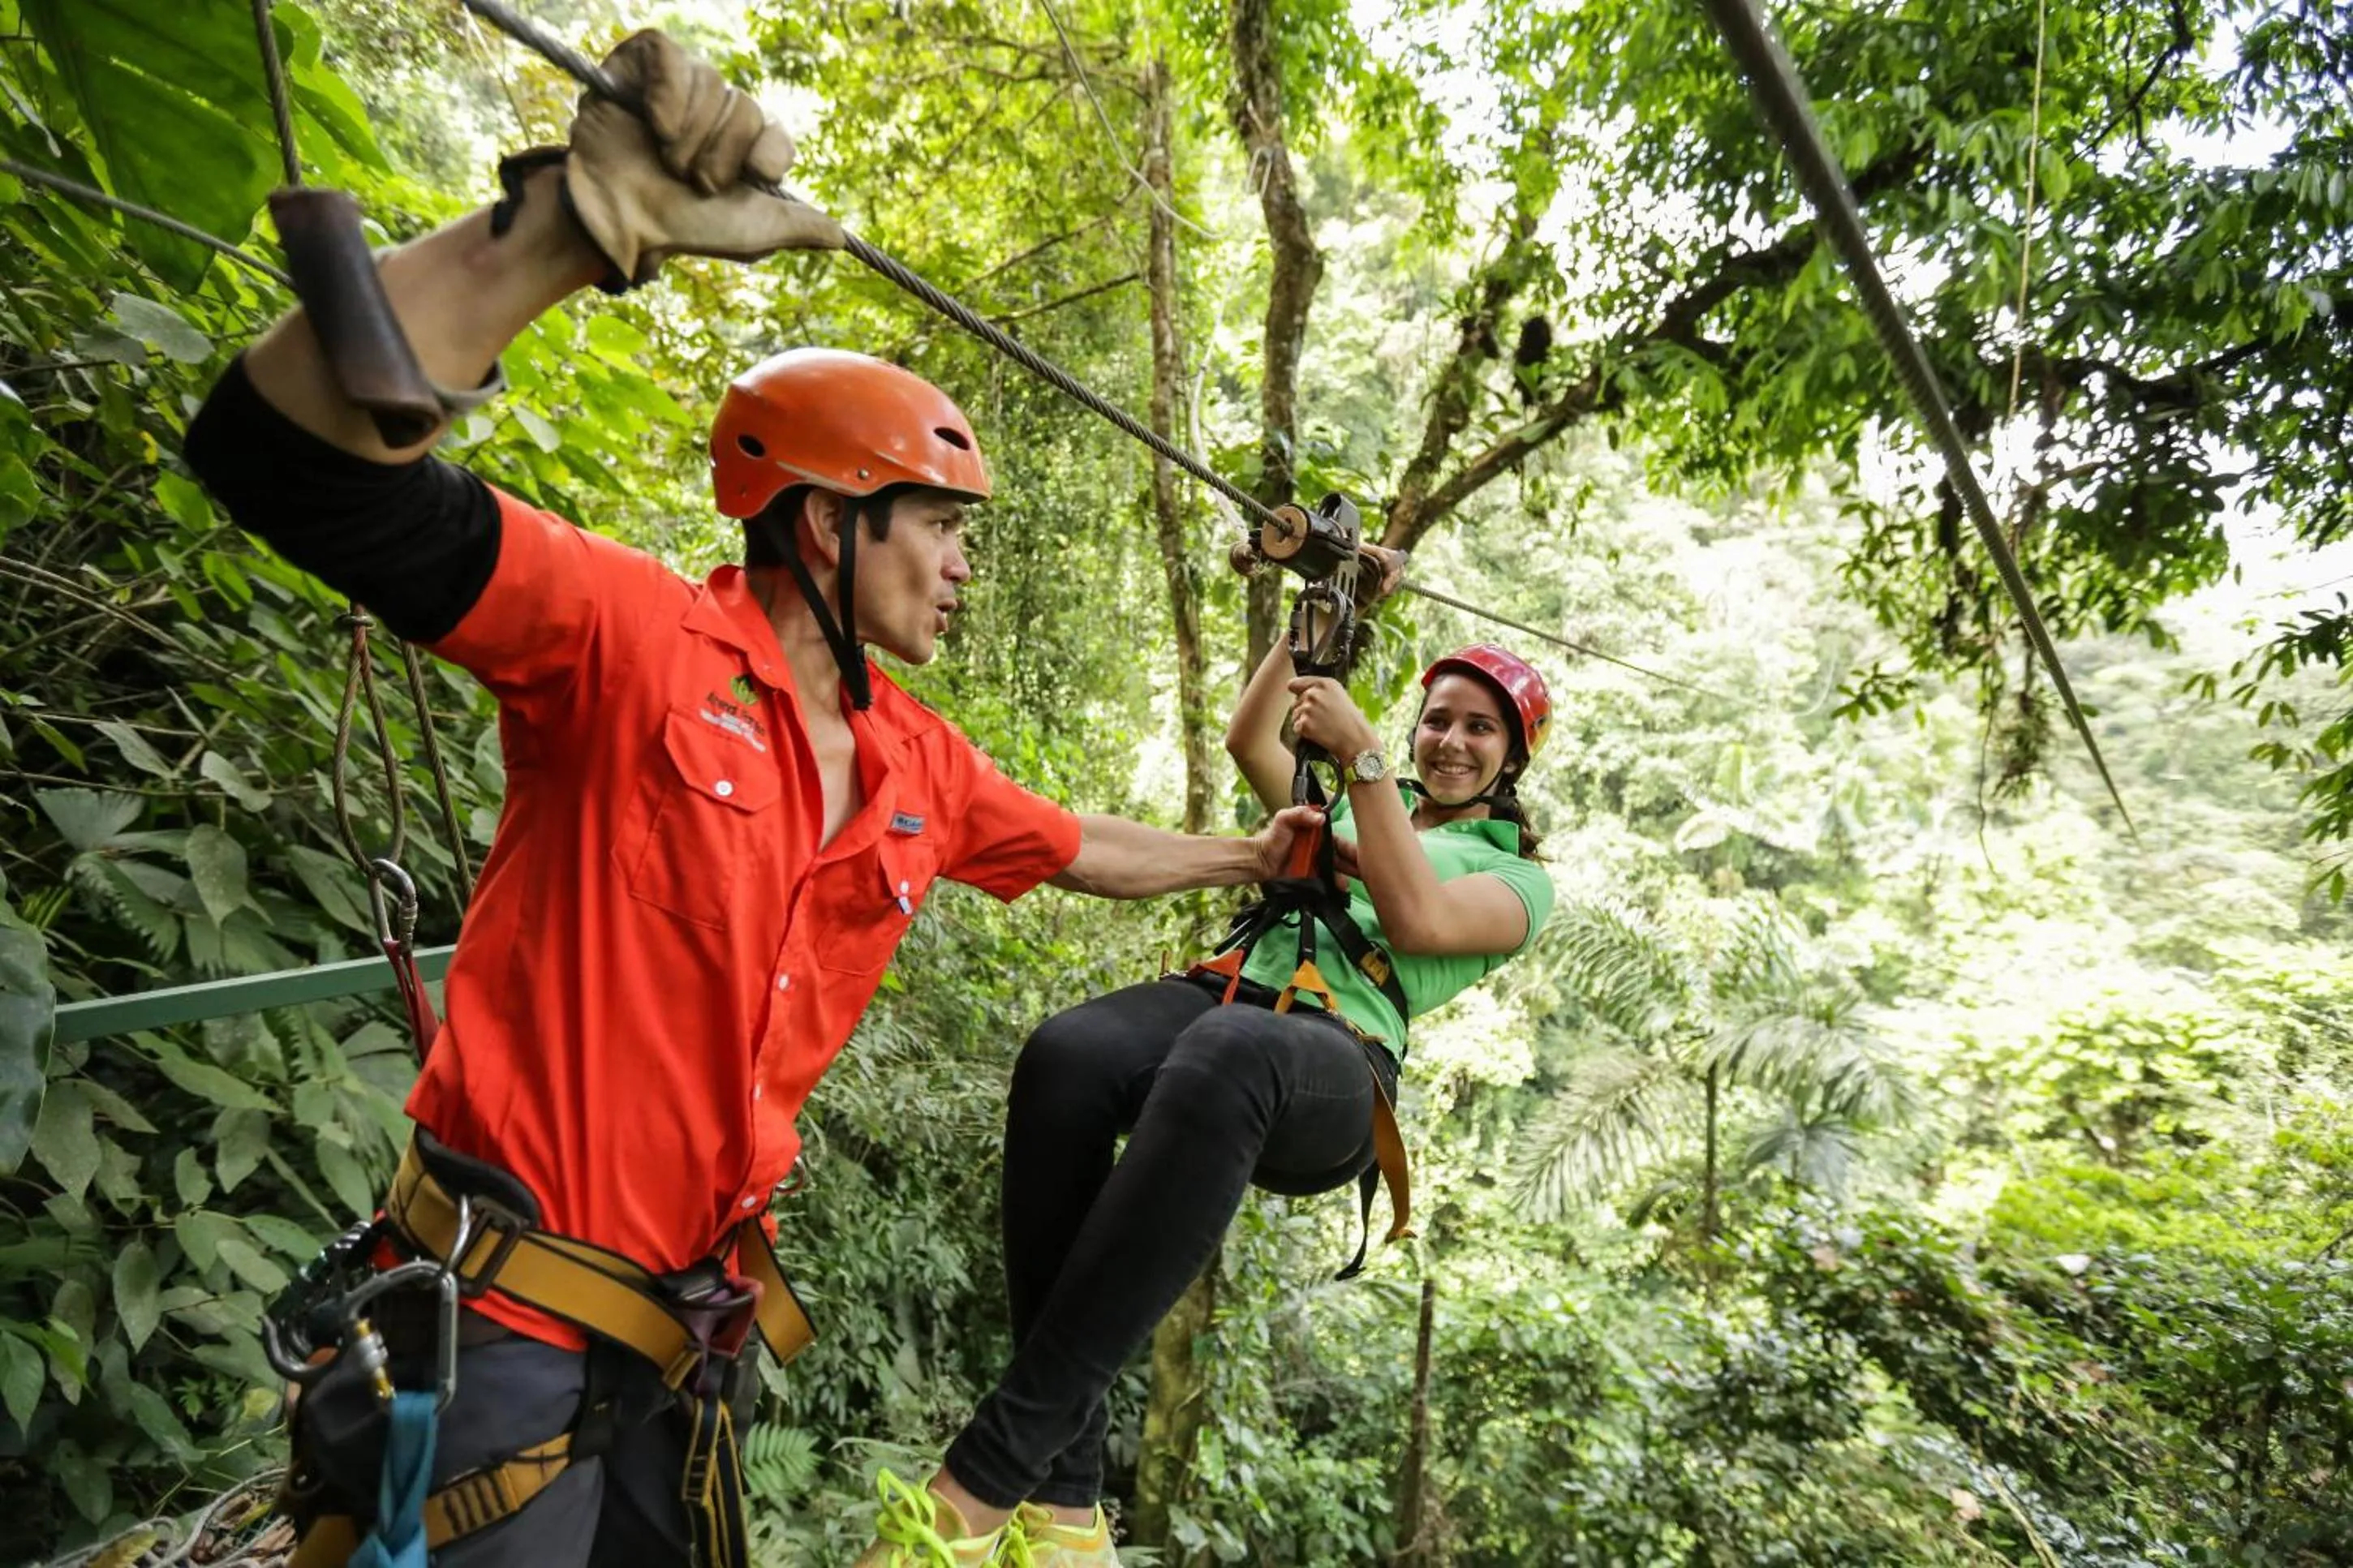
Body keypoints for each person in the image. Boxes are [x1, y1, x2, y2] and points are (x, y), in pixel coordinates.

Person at [182, 32, 1327, 1568]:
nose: (963, 566)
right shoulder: (628, 639)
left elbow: (1080, 847)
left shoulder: (917, 762)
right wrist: (566, 232)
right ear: (829, 523)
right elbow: (289, 457)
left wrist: (1248, 852)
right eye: (939, 525)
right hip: (502, 1328)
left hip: (678, 1352)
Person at [855, 614, 1559, 1566]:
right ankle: (1063, 1509)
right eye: (1437, 719)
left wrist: (1361, 756)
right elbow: (1248, 737)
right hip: (1226, 1001)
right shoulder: (1362, 805)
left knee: (1235, 1044)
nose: (1451, 741)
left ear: (1511, 756)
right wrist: (1311, 622)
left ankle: (979, 1483)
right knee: (1066, 1055)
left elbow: (1419, 919)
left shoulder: (1515, 878)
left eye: (1480, 728)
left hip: (1334, 1065)